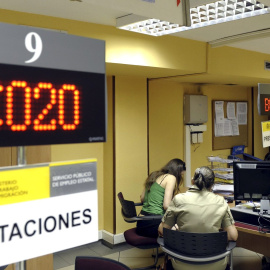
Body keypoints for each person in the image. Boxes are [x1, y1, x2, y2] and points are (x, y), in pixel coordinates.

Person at [158, 166, 238, 270]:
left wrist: (176, 229)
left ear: (192, 181)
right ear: (212, 185)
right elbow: (233, 236)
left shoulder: (178, 199)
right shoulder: (220, 201)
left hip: (181, 264)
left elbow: (161, 231)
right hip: (216, 265)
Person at [136, 158, 186, 238]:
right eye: (181, 174)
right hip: (155, 224)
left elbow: (142, 198)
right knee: (185, 223)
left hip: (141, 223)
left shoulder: (153, 175)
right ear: (177, 171)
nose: (181, 176)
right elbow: (166, 205)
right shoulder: (171, 177)